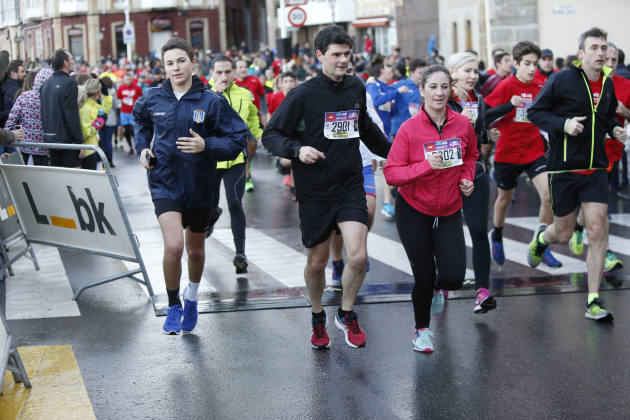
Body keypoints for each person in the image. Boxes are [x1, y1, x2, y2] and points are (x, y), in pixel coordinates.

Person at [262, 26, 391, 350]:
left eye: (347, 54)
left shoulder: (355, 87)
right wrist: (297, 150)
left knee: (358, 257)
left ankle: (346, 314)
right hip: (316, 190)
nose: (344, 60)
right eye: (336, 54)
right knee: (317, 263)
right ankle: (318, 315)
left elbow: (365, 129)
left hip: (349, 184)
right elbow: (272, 135)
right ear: (319, 56)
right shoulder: (303, 94)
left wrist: (397, 153)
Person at [133, 37, 248, 335]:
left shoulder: (212, 101)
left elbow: (238, 139)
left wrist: (206, 144)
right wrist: (143, 149)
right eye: (169, 63)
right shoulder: (153, 98)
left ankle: (192, 296)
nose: (175, 68)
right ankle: (173, 305)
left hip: (200, 186)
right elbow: (140, 122)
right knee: (174, 246)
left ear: (193, 62)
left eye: (180, 61)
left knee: (195, 252)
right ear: (163, 66)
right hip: (165, 182)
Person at [528, 28, 627, 322]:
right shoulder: (561, 80)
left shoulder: (607, 85)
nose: (600, 53)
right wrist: (564, 124)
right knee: (565, 232)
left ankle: (593, 299)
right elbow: (536, 112)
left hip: (596, 168)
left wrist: (614, 129)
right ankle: (543, 239)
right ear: (582, 53)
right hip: (564, 169)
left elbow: (606, 116)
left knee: (597, 230)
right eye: (594, 47)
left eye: (603, 47)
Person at [384, 65, 478, 352]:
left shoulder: (462, 124)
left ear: (451, 90)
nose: (439, 93)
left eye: (444, 87)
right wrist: (426, 166)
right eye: (433, 87)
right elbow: (392, 173)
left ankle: (439, 288)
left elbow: (472, 155)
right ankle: (421, 330)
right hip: (414, 210)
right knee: (423, 275)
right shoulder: (409, 129)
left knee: (453, 277)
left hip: (449, 209)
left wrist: (467, 177)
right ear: (422, 91)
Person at [484, 41, 562, 268]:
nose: (531, 69)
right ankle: (496, 234)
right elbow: (486, 115)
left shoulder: (542, 84)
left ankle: (540, 244)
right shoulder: (506, 86)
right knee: (504, 199)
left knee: (548, 196)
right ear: (515, 64)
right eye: (526, 64)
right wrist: (509, 105)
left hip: (533, 151)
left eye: (534, 64)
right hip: (507, 153)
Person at [567, 41, 630, 272]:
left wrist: (625, 112)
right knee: (600, 208)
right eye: (607, 60)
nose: (610, 64)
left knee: (599, 208)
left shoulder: (624, 86)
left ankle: (578, 228)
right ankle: (607, 251)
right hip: (586, 152)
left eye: (615, 61)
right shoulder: (585, 83)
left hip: (612, 155)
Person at [446, 52, 496, 314]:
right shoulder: (442, 100)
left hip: (475, 172)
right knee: (446, 233)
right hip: (446, 174)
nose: (472, 77)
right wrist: (459, 121)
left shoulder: (479, 99)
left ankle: (482, 291)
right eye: (467, 71)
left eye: (475, 72)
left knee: (478, 230)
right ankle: (440, 283)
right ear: (453, 73)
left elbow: (479, 133)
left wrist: (489, 134)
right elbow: (436, 134)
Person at [207, 55, 263, 273]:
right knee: (208, 205)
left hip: (236, 159)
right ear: (212, 73)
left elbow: (252, 120)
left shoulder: (244, 94)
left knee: (234, 202)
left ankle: (240, 253)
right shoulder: (203, 94)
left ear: (233, 72)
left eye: (227, 71)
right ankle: (212, 215)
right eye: (219, 72)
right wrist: (217, 95)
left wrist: (260, 136)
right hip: (210, 159)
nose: (223, 76)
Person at [329, 57, 381, 286]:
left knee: (368, 212)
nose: (347, 74)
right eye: (343, 70)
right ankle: (339, 260)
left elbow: (374, 124)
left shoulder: (362, 94)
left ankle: (358, 246)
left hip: (362, 161)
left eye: (350, 70)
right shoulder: (323, 96)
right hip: (334, 167)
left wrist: (382, 154)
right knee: (336, 224)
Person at [366, 59, 409, 220]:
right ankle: (367, 198)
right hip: (372, 132)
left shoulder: (388, 86)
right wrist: (397, 92)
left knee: (386, 167)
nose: (392, 71)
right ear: (382, 70)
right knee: (371, 167)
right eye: (389, 68)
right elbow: (377, 101)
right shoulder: (373, 85)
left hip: (386, 132)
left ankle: (387, 203)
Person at [40, 49, 84, 168]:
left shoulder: (45, 84)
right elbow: (72, 115)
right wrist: (80, 142)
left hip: (50, 139)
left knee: (58, 180)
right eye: (71, 59)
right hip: (67, 141)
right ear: (65, 63)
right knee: (73, 179)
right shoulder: (70, 83)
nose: (73, 62)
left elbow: (43, 113)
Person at [5, 67, 53, 166]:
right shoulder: (51, 99)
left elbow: (11, 119)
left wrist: (8, 138)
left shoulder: (24, 96)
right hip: (45, 149)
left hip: (25, 146)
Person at [234, 58, 266, 192]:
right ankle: (247, 178)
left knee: (252, 149)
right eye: (240, 67)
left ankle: (248, 164)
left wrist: (263, 113)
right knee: (244, 150)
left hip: (254, 119)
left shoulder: (254, 80)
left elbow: (263, 96)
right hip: (239, 122)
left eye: (244, 66)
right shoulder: (232, 83)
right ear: (235, 70)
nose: (243, 69)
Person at [78, 78, 112, 170]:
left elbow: (105, 111)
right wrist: (98, 122)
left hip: (96, 147)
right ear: (97, 92)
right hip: (89, 151)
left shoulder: (94, 104)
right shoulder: (85, 108)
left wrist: (107, 96)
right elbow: (85, 132)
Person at [116, 71, 143, 154]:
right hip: (124, 112)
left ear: (132, 79)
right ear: (124, 80)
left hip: (133, 112)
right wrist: (119, 105)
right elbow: (118, 98)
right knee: (126, 130)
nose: (127, 81)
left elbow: (142, 96)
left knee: (133, 130)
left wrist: (139, 106)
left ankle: (137, 145)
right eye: (126, 79)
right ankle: (130, 146)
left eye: (129, 79)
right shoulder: (121, 88)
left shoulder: (136, 87)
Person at [0, 59, 26, 127]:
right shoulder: (15, 90)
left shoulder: (5, 85)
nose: (25, 74)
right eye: (22, 71)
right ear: (14, 73)